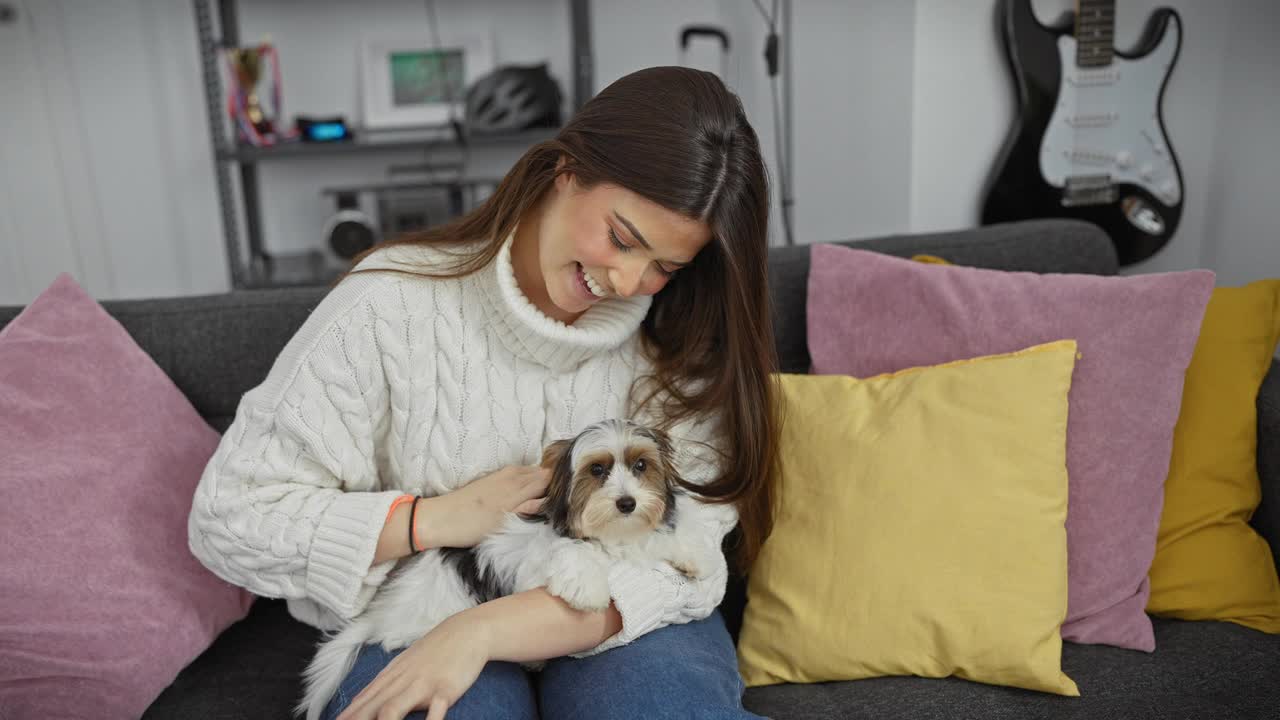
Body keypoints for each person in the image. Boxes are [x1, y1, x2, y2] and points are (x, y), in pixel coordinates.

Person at [188, 65, 780, 720]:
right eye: (621, 238)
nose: (629, 279)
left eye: (665, 267)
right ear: (567, 171)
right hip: (422, 609)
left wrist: (484, 631)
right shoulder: (387, 306)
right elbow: (229, 518)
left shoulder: (683, 341)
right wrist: (433, 518)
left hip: (617, 614)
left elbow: (691, 556)